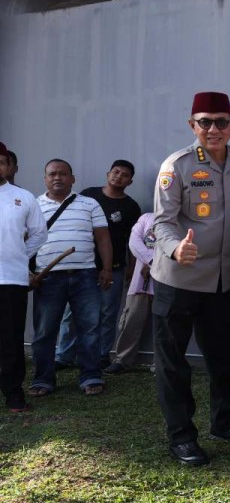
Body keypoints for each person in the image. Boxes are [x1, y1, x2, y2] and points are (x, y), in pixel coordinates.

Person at [150, 91, 230, 466]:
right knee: (173, 362)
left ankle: (224, 422)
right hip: (176, 279)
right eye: (204, 122)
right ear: (192, 125)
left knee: (223, 357)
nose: (212, 129)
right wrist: (175, 248)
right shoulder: (176, 165)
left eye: (220, 122)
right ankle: (181, 436)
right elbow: (162, 223)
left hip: (219, 282)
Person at [29, 159, 113, 397]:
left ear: (72, 178)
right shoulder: (34, 206)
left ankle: (90, 376)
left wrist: (106, 268)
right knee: (45, 331)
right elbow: (25, 241)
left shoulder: (89, 204)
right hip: (47, 278)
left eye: (63, 174)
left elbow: (103, 238)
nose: (57, 178)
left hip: (85, 275)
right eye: (52, 174)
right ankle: (43, 379)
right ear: (45, 178)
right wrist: (28, 272)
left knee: (89, 328)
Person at [55, 160, 141, 369]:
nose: (118, 176)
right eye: (116, 172)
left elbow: (133, 239)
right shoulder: (88, 195)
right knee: (71, 313)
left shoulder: (131, 207)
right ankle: (64, 356)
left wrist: (131, 266)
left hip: (115, 268)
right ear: (108, 173)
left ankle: (101, 355)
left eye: (124, 175)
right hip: (81, 265)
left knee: (107, 313)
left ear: (130, 181)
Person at [0, 142, 47, 412]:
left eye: (1, 161)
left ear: (9, 166)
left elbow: (39, 233)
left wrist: (19, 253)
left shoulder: (23, 197)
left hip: (11, 280)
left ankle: (13, 393)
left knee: (11, 339)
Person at [104, 212, 156, 374]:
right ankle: (123, 360)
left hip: (169, 280)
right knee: (131, 319)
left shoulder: (182, 217)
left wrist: (157, 265)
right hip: (141, 279)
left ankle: (161, 363)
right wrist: (152, 261)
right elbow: (134, 242)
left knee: (167, 324)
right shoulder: (146, 218)